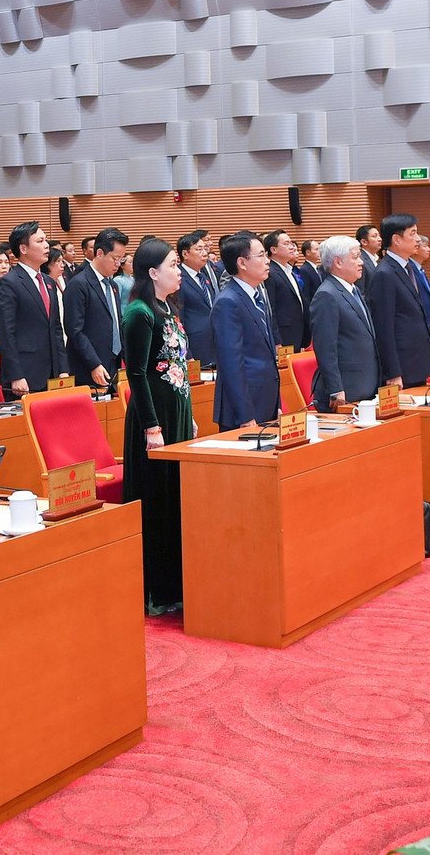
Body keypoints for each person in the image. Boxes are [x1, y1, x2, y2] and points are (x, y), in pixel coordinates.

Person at [120, 235, 193, 613]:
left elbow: (177, 369)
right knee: (157, 501)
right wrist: (151, 427)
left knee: (176, 500)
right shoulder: (139, 312)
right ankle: (154, 592)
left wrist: (189, 415)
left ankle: (176, 586)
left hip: (176, 414)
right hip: (154, 420)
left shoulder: (168, 311)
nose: (178, 271)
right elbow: (137, 373)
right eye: (172, 266)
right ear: (152, 272)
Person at [210, 231, 279, 430]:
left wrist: (276, 405)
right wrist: (245, 414)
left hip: (266, 402)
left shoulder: (256, 295)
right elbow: (231, 364)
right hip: (243, 410)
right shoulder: (228, 302)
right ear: (242, 263)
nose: (267, 261)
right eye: (261, 255)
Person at [0, 220, 67, 397]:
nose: (46, 245)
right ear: (23, 249)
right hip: (24, 375)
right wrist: (16, 374)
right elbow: (5, 333)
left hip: (52, 373)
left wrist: (63, 368)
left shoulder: (49, 282)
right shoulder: (9, 283)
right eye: (40, 241)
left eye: (46, 240)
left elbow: (56, 328)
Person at [308, 235, 379, 408]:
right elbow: (326, 348)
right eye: (355, 257)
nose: (361, 262)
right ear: (338, 262)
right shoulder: (327, 295)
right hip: (346, 390)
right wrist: (335, 389)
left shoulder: (352, 289)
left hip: (366, 384)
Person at [368, 213, 430, 389]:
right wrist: (392, 372)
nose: (418, 239)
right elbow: (383, 327)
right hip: (402, 367)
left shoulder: (409, 267)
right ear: (396, 240)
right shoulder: (384, 273)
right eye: (412, 233)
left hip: (417, 362)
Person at [64, 226, 129, 390]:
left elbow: (116, 323)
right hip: (88, 367)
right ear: (99, 253)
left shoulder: (112, 285)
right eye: (114, 258)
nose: (117, 264)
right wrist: (94, 363)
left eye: (121, 259)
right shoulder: (79, 284)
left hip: (113, 363)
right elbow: (74, 330)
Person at [174, 230, 219, 369]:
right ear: (185, 254)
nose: (205, 253)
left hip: (214, 343)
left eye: (205, 249)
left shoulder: (204, 277)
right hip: (195, 345)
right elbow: (178, 319)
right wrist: (186, 353)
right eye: (199, 249)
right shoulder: (178, 279)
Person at [262, 229, 309, 350]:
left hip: (298, 334)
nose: (292, 247)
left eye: (292, 243)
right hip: (284, 337)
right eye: (286, 244)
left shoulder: (289, 270)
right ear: (273, 250)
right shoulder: (270, 273)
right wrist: (276, 340)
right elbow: (270, 309)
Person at [356, 224, 384, 295]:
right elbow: (361, 291)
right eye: (374, 236)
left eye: (379, 235)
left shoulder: (378, 259)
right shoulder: (360, 260)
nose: (380, 239)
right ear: (364, 242)